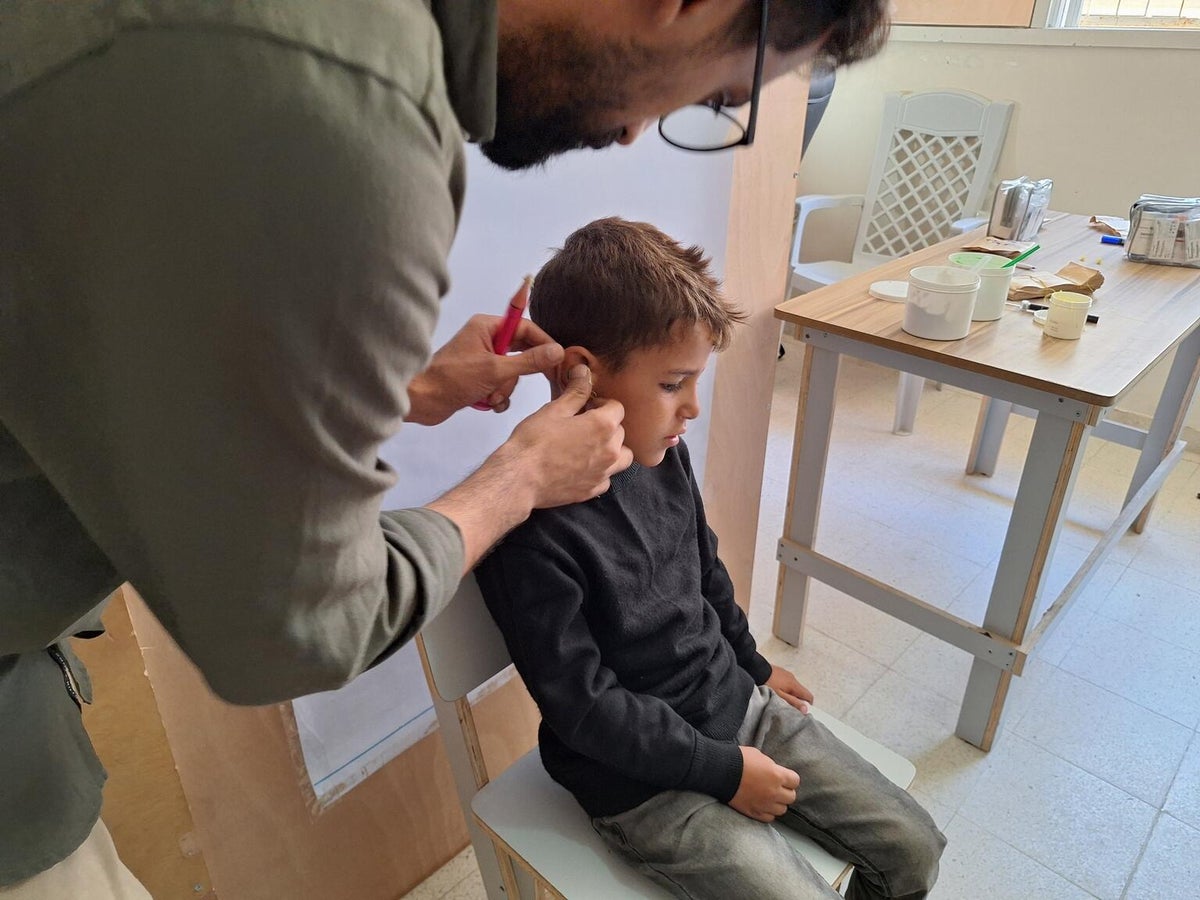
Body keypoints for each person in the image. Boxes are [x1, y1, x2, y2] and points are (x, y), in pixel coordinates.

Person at [0, 0, 891, 893]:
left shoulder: (285, 69)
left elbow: (167, 390)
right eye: (718, 95)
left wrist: (414, 394)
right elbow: (294, 635)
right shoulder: (342, 114)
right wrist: (519, 481)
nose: (632, 136)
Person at [477, 218, 944, 900]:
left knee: (914, 850)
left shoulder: (663, 457)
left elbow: (705, 575)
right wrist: (723, 771)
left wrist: (752, 665)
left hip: (735, 706)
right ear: (582, 369)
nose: (693, 407)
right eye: (672, 384)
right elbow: (586, 711)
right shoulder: (527, 534)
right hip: (638, 784)